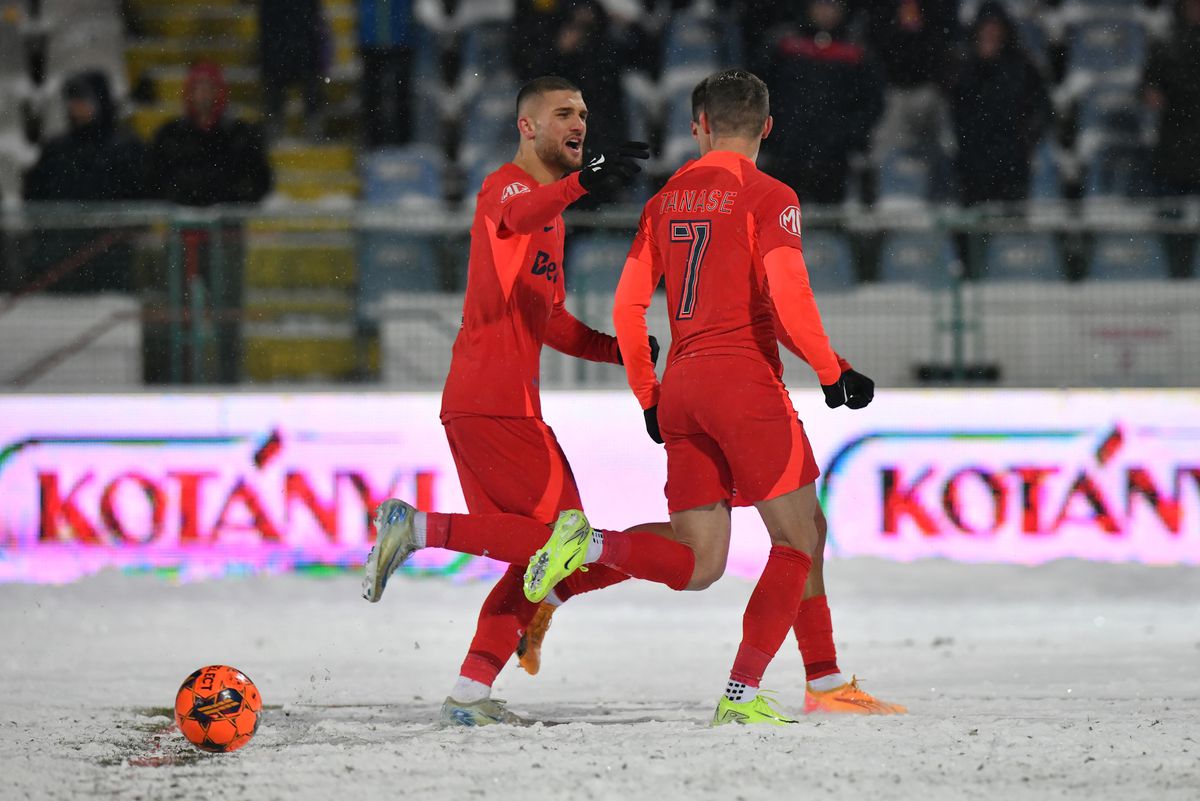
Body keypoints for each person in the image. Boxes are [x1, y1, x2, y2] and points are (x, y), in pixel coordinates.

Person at [514, 76, 907, 718]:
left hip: (684, 388)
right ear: (768, 128)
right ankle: (769, 691)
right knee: (800, 536)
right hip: (743, 384)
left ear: (699, 126)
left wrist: (648, 393)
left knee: (698, 560)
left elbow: (629, 305)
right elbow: (787, 295)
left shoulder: (665, 199)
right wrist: (831, 370)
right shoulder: (769, 195)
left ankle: (582, 555)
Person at [362, 76, 677, 725]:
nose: (580, 122)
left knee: (538, 551)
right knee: (565, 540)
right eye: (564, 112)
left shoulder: (552, 218)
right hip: (496, 401)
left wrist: (612, 347)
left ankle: (470, 695)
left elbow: (550, 319)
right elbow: (516, 215)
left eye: (585, 112)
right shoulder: (506, 187)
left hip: (489, 402)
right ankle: (415, 527)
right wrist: (583, 183)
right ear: (527, 127)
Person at [22, 70, 145, 292]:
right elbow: (35, 197)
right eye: (73, 101)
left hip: (111, 263)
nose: (76, 107)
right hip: (60, 262)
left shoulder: (127, 148)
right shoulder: (55, 149)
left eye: (84, 100)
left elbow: (141, 200)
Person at [760, 0, 885, 205]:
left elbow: (873, 101)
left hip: (834, 157)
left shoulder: (856, 50)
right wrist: (773, 133)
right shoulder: (782, 44)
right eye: (822, 4)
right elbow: (757, 91)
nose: (827, 11)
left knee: (828, 223)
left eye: (833, 5)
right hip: (785, 151)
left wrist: (850, 134)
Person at [948, 1, 1051, 207]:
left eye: (995, 29)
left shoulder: (1023, 68)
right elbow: (954, 116)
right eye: (985, 29)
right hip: (972, 167)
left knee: (1010, 225)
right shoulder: (962, 70)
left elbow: (1042, 110)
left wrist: (1025, 141)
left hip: (1012, 164)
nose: (990, 35)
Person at [146, 62, 273, 206]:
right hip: (183, 220)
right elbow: (155, 180)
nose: (203, 94)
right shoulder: (170, 135)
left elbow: (259, 181)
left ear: (219, 91)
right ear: (189, 92)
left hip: (227, 221)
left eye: (208, 87)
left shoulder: (240, 135)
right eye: (197, 87)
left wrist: (232, 200)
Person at [1143, 0, 1200, 277]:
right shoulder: (1167, 45)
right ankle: (1174, 280)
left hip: (1184, 149)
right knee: (1170, 230)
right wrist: (1150, 92)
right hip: (1174, 153)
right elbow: (1146, 87)